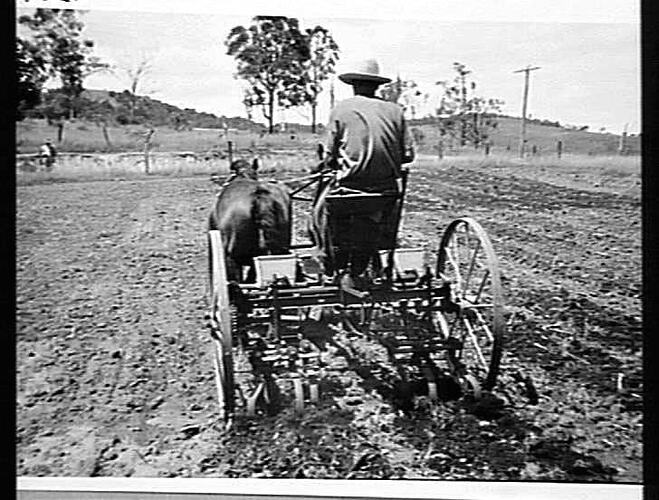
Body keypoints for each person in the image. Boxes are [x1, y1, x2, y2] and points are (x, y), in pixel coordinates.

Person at [314, 58, 415, 279]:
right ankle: (369, 261)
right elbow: (408, 155)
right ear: (377, 85)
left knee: (326, 213)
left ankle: (334, 264)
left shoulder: (341, 109)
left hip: (348, 190)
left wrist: (335, 163)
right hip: (385, 193)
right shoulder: (395, 110)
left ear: (353, 85)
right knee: (376, 224)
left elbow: (329, 155)